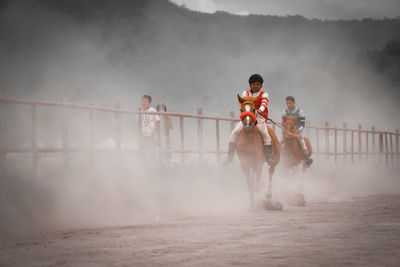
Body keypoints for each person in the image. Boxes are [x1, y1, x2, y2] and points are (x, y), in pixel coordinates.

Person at [224, 74, 274, 165]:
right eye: (254, 84)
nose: (256, 86)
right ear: (250, 85)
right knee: (235, 132)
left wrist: (260, 110)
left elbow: (264, 103)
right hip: (247, 116)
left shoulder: (264, 94)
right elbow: (243, 104)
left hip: (259, 117)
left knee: (266, 134)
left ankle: (269, 157)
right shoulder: (245, 93)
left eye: (258, 84)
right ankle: (229, 156)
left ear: (261, 86)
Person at [282, 96, 313, 166]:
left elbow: (302, 124)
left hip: (296, 131)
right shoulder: (285, 112)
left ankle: (306, 157)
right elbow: (283, 123)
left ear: (294, 103)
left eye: (290, 103)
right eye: (287, 103)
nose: (288, 105)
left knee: (301, 141)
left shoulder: (300, 112)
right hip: (287, 132)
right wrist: (285, 129)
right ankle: (279, 157)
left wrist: (298, 131)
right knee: (281, 141)